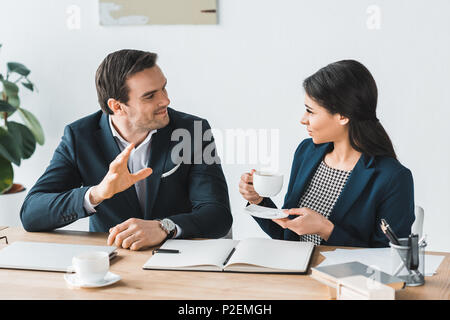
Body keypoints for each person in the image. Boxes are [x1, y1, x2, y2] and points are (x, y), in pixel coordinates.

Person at [20, 49, 232, 250]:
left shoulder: (192, 131)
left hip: (181, 260)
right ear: (117, 106)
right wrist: (97, 193)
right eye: (150, 96)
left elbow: (218, 215)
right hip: (113, 264)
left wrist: (165, 226)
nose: (165, 100)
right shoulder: (80, 137)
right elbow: (32, 213)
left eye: (164, 88)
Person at [239, 60, 414, 248]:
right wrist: (258, 201)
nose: (303, 120)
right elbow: (287, 236)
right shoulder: (306, 152)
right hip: (295, 273)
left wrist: (326, 229)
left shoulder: (393, 178)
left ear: (343, 116)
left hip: (345, 277)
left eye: (310, 111)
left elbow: (389, 257)